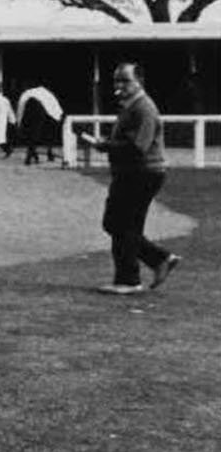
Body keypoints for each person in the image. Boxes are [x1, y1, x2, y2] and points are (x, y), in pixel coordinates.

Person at [76, 62, 182, 296]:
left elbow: (138, 147)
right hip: (133, 173)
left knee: (122, 225)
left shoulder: (144, 108)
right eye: (116, 80)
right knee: (120, 224)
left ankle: (130, 278)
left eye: (125, 80)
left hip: (142, 173)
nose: (119, 86)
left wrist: (104, 145)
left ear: (139, 82)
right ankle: (158, 260)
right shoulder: (131, 107)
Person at [16, 82, 63, 166]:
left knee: (32, 133)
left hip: (30, 112)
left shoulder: (26, 94)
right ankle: (46, 153)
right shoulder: (46, 94)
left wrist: (19, 123)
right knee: (47, 132)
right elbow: (55, 108)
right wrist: (58, 117)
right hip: (45, 114)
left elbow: (20, 109)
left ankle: (32, 155)